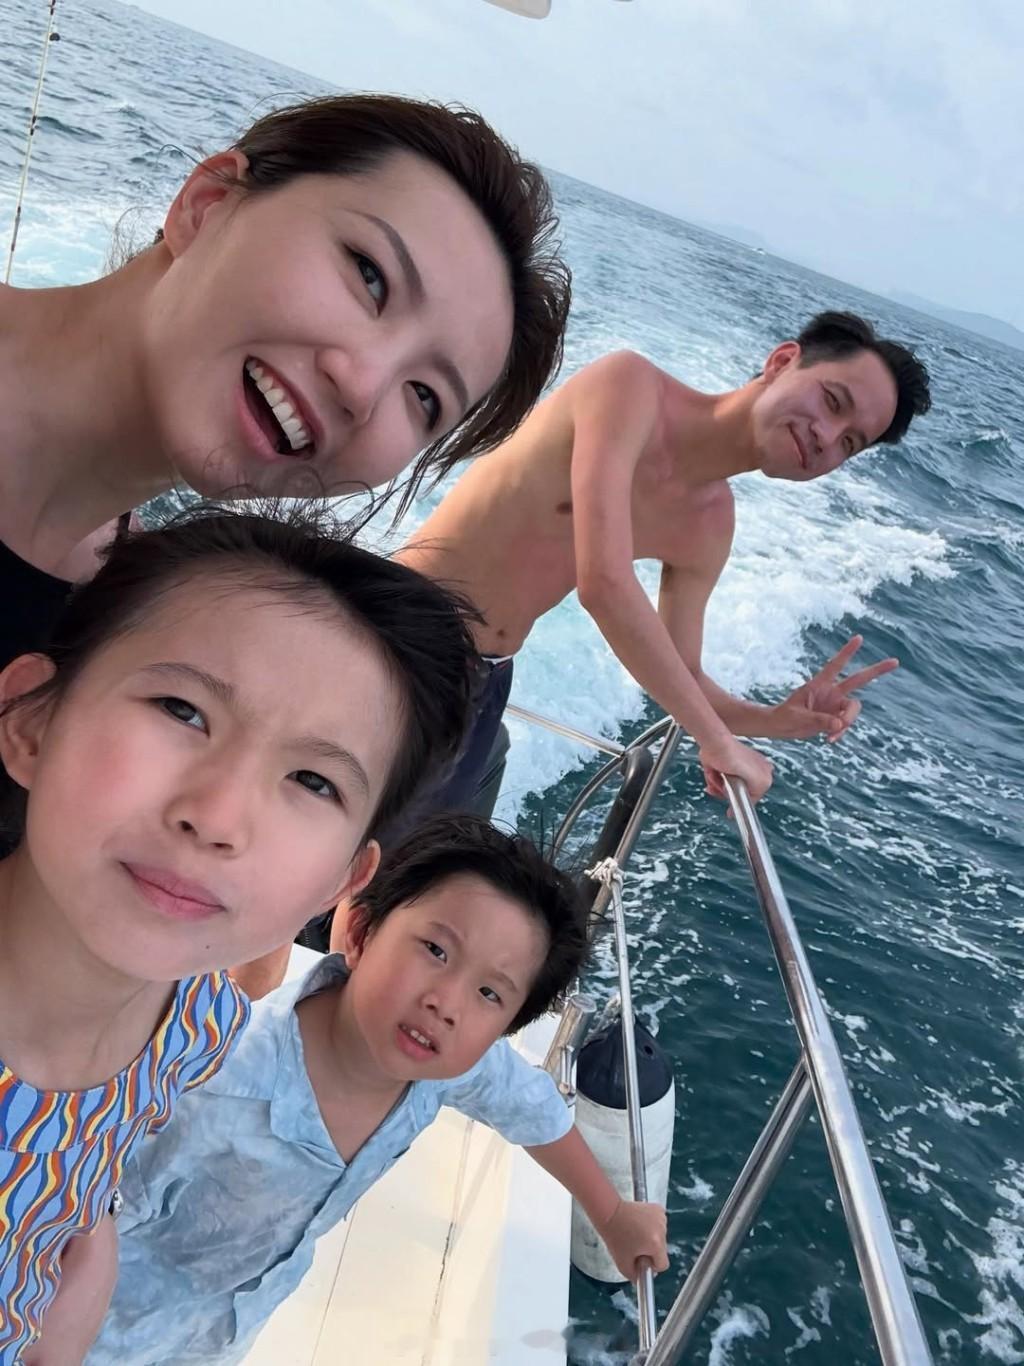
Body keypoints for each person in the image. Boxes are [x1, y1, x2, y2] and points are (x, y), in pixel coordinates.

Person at [0, 504, 479, 1364]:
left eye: (313, 781)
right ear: (31, 719)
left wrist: (77, 1282)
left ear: (340, 883)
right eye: (182, 710)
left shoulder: (194, 1024)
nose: (218, 817)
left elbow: (78, 1171)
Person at [0, 93, 571, 666]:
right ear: (207, 205)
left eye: (425, 396)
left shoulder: (114, 628)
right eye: (370, 275)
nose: (363, 389)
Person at [88, 815, 669, 1365]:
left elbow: (529, 1106)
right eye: (436, 951)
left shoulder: (442, 1066)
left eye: (490, 994)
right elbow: (83, 1211)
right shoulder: (217, 1081)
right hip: (95, 1331)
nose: (447, 1003)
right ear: (361, 933)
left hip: (218, 1336)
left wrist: (612, 1212)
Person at [397, 311, 933, 818]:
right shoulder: (629, 388)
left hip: (485, 680)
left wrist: (775, 720)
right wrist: (716, 740)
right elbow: (604, 583)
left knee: (405, 872)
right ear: (782, 361)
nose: (827, 438)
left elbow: (686, 674)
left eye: (849, 443)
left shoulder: (710, 525)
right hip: (403, 625)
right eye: (833, 402)